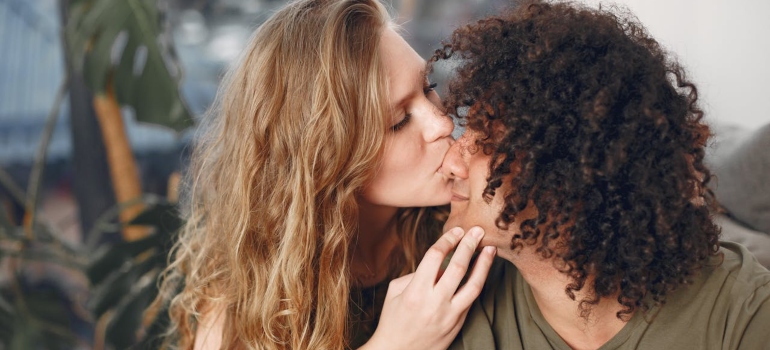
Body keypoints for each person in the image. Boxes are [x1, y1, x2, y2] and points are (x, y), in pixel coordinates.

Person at [151, 0, 497, 349]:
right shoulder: (248, 288)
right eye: (398, 122)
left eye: (428, 88)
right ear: (325, 162)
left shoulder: (474, 218)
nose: (442, 122)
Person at [433, 1, 770, 349]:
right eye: (465, 133)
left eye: (486, 140)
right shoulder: (440, 305)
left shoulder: (746, 316)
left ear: (570, 173)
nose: (450, 162)